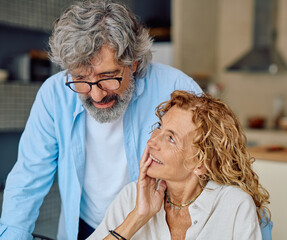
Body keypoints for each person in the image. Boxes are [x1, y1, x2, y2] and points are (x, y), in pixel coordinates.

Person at [0, 1, 202, 239]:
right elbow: (27, 179)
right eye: (80, 78)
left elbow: (218, 173)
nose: (97, 95)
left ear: (134, 63)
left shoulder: (178, 90)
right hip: (85, 226)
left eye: (108, 77)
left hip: (154, 227)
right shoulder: (54, 95)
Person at [88, 90, 272, 240]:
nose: (152, 142)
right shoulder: (131, 198)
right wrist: (137, 216)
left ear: (200, 163)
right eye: (159, 127)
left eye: (171, 138)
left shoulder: (234, 206)